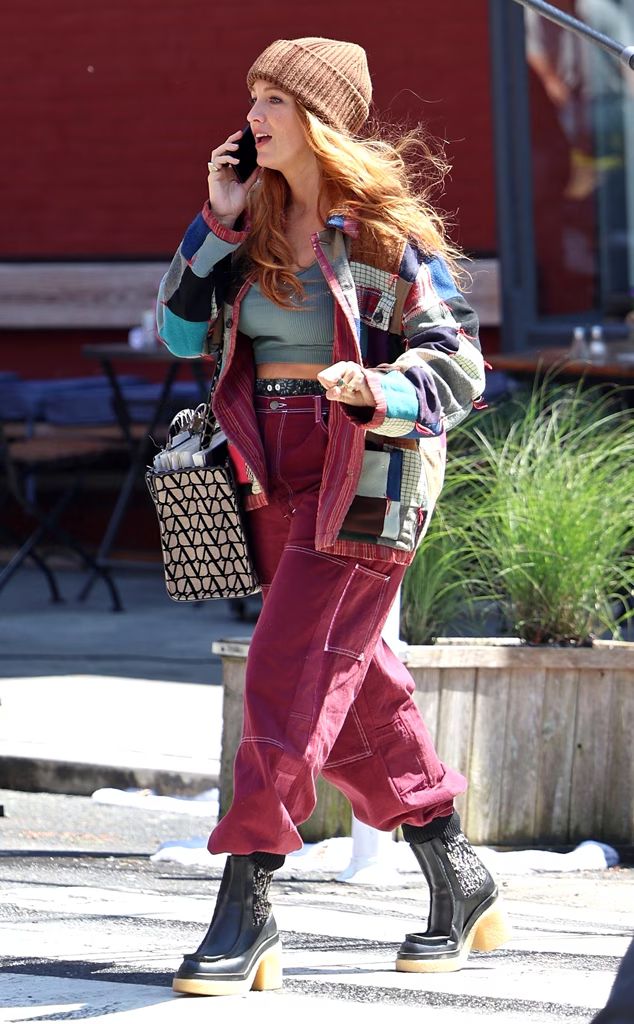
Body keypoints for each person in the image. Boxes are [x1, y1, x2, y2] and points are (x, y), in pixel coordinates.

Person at [157, 36, 510, 997]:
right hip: (269, 478)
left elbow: (461, 363)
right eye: (253, 97)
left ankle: (247, 898)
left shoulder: (387, 237)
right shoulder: (251, 224)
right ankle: (459, 875)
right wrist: (217, 224)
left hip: (367, 473)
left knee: (289, 671)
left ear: (318, 121)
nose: (255, 114)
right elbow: (182, 333)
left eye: (275, 99)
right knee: (350, 689)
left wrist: (384, 386)